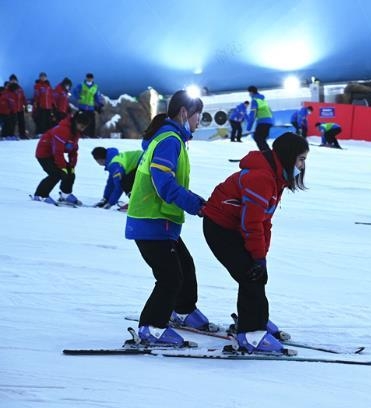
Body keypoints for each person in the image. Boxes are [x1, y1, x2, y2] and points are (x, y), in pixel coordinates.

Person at [201, 132, 309, 353]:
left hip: (234, 227)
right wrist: (257, 259)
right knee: (250, 275)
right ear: (288, 157)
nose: (303, 165)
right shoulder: (262, 178)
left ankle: (256, 320)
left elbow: (264, 222)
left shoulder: (275, 177)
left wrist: (262, 257)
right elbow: (251, 223)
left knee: (256, 273)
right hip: (220, 228)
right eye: (301, 159)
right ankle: (250, 334)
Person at [125, 89, 211, 347]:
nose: (199, 122)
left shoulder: (174, 139)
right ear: (185, 113)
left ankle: (182, 310)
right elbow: (164, 184)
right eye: (199, 116)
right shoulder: (169, 140)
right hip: (151, 222)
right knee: (170, 276)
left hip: (162, 223)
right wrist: (197, 205)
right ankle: (152, 327)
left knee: (185, 267)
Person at [32, 111, 91, 205]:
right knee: (56, 174)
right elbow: (58, 151)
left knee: (70, 173)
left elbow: (73, 150)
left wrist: (71, 165)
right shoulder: (62, 130)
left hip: (53, 154)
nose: (82, 129)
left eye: (84, 127)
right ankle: (40, 195)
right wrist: (62, 167)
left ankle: (65, 195)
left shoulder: (75, 132)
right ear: (76, 122)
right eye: (81, 126)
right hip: (44, 154)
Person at [72, 73, 104, 138]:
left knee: (92, 121)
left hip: (90, 107)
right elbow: (74, 91)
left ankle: (92, 135)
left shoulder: (95, 87)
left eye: (91, 78)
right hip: (82, 106)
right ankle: (82, 134)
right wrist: (78, 97)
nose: (89, 79)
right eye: (88, 78)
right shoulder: (81, 85)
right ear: (86, 78)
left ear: (92, 79)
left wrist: (99, 104)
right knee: (82, 121)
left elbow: (96, 96)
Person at [246, 86, 274, 151]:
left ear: (251, 92)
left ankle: (266, 154)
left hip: (263, 121)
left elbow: (252, 114)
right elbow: (270, 111)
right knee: (262, 139)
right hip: (268, 121)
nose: (249, 94)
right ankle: (267, 154)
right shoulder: (263, 100)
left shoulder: (255, 100)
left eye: (249, 93)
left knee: (257, 137)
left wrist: (249, 127)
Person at [7, 74, 27, 139]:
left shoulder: (20, 89)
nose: (13, 81)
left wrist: (26, 105)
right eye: (12, 80)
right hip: (11, 110)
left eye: (14, 80)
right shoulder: (8, 89)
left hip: (20, 108)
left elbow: (23, 97)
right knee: (12, 123)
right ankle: (11, 135)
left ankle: (22, 134)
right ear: (10, 81)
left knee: (21, 122)